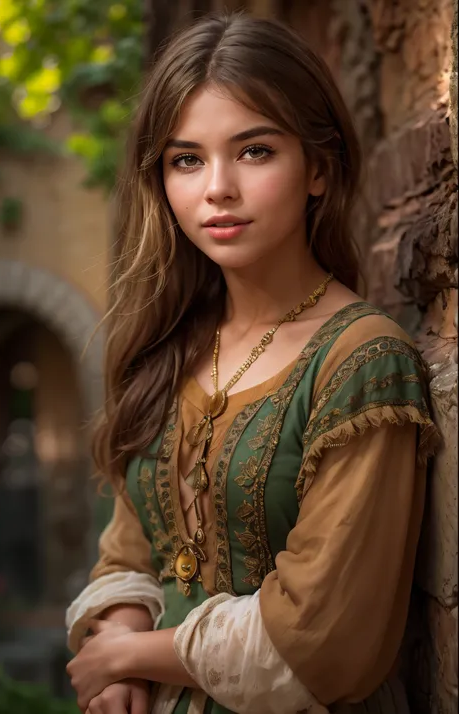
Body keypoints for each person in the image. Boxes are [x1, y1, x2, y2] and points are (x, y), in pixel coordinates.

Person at [65, 11, 440, 714]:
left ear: (319, 169)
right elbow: (127, 551)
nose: (217, 189)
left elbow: (328, 640)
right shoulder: (172, 344)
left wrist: (130, 655)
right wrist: (118, 660)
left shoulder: (362, 361)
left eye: (255, 151)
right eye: (186, 160)